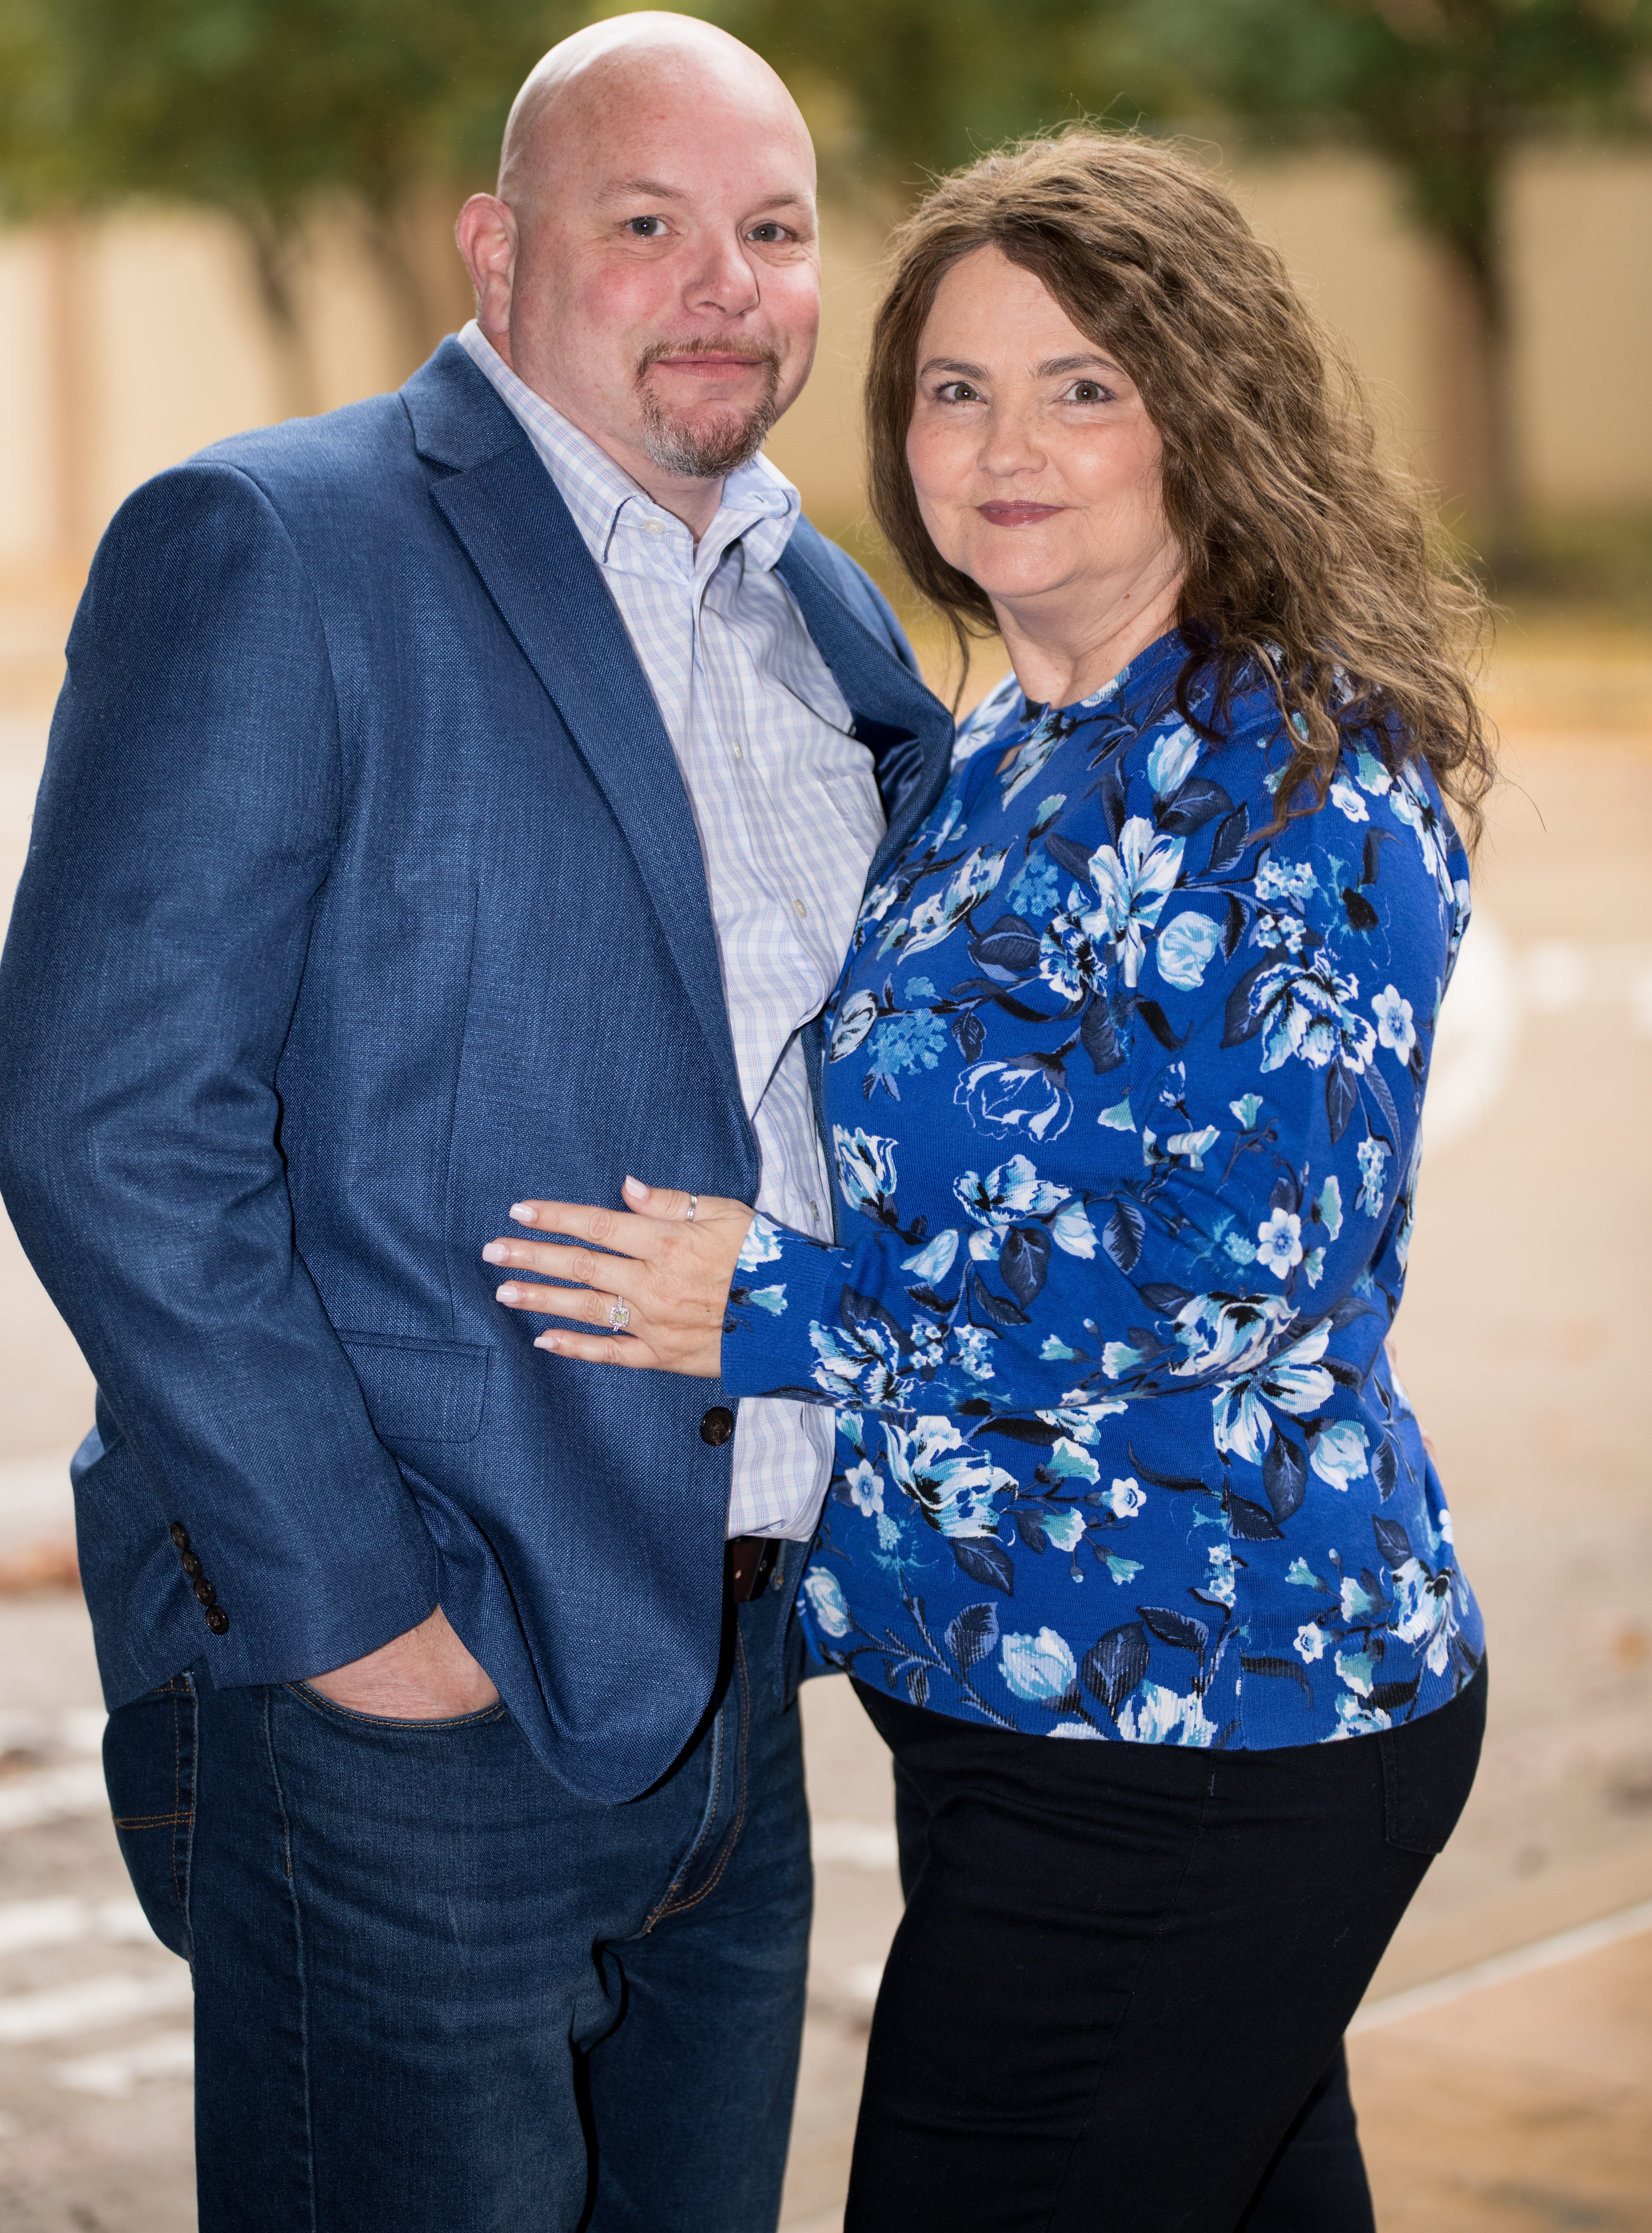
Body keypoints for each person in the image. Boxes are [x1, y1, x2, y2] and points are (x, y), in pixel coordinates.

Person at [0, 10, 953, 2233]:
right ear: (496, 252)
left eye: (776, 230)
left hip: (740, 1680)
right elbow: (110, 1122)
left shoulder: (816, 604)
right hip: (421, 1689)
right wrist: (355, 1627)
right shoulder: (276, 545)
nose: (729, 282)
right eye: (649, 225)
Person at [484, 131, 1495, 2233]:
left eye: (1084, 385)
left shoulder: (1302, 776)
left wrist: (771, 1307)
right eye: (957, 387)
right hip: (1016, 1699)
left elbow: (1240, 1273)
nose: (1005, 443)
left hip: (1212, 1710)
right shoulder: (998, 757)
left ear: (1207, 416)